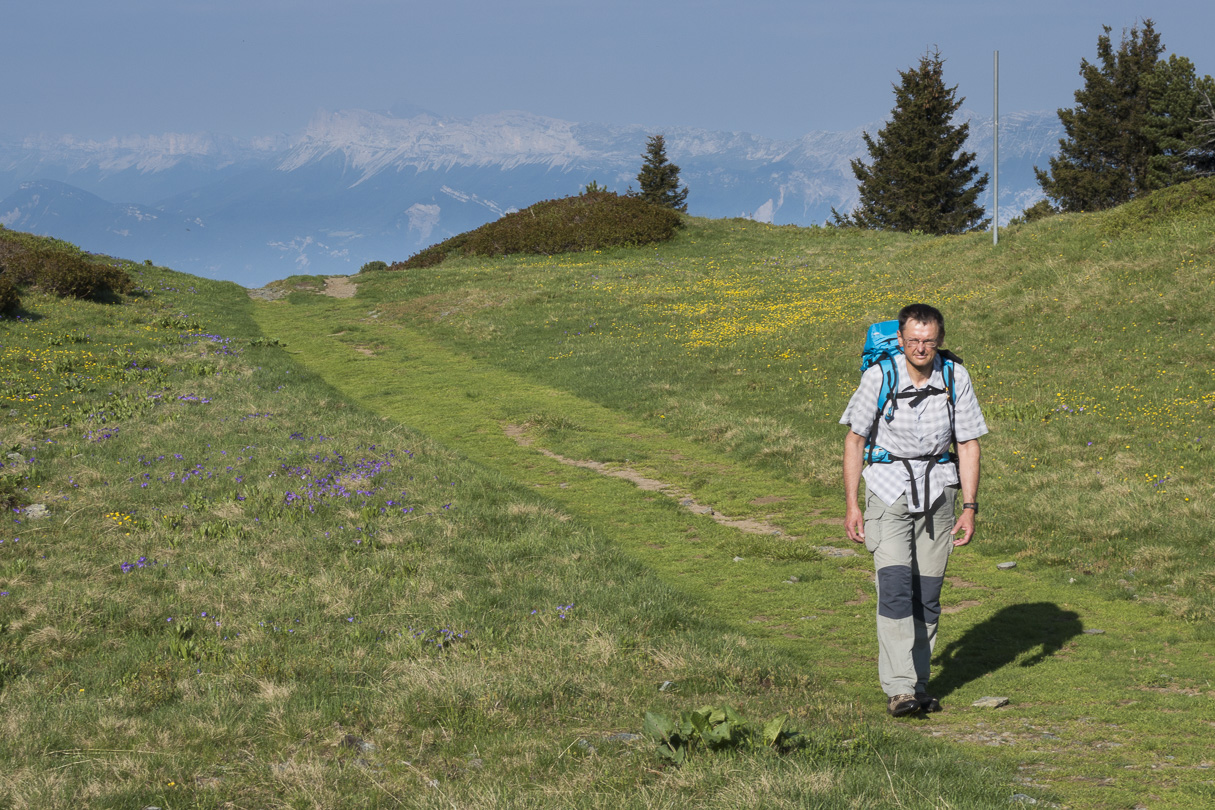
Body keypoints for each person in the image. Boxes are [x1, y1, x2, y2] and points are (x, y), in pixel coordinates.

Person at [840, 303, 987, 717]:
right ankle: (900, 688)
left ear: (939, 340)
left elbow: (969, 443)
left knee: (928, 592)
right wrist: (852, 504)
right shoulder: (879, 376)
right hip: (886, 491)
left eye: (929, 340)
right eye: (913, 340)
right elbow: (854, 440)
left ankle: (919, 684)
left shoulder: (956, 377)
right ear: (901, 340)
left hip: (939, 492)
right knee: (895, 587)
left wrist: (970, 506)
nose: (921, 347)